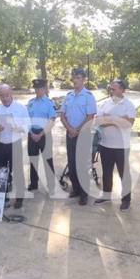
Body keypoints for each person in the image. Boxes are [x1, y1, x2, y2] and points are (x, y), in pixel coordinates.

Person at [94, 79, 136, 211]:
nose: (111, 91)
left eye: (114, 89)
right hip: (105, 144)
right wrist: (118, 119)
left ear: (122, 90)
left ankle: (126, 200)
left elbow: (128, 123)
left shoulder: (128, 104)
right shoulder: (106, 103)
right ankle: (106, 196)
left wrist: (109, 119)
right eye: (110, 89)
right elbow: (98, 121)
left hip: (121, 147)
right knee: (106, 172)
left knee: (124, 174)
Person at [59, 68, 97, 205]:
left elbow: (90, 116)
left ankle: (84, 193)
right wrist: (70, 129)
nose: (75, 80)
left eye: (78, 78)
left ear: (84, 79)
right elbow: (62, 115)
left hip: (83, 134)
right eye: (74, 78)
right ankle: (75, 188)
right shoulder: (69, 96)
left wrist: (77, 130)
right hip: (70, 134)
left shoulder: (88, 96)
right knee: (72, 163)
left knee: (82, 164)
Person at [0, 84, 30, 209]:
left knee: (17, 171)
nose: (5, 98)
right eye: (2, 96)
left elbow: (28, 125)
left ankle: (19, 198)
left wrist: (19, 128)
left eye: (7, 95)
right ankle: (2, 197)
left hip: (15, 144)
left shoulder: (21, 108)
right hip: (0, 144)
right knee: (1, 172)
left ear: (11, 93)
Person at [26, 79, 57, 193]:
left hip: (45, 135)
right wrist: (31, 133)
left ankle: (51, 186)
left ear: (44, 89)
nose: (37, 90)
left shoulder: (49, 103)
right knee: (33, 160)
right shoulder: (30, 103)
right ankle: (34, 183)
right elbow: (26, 120)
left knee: (47, 161)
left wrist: (41, 134)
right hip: (32, 134)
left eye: (40, 88)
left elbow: (52, 121)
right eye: (36, 88)